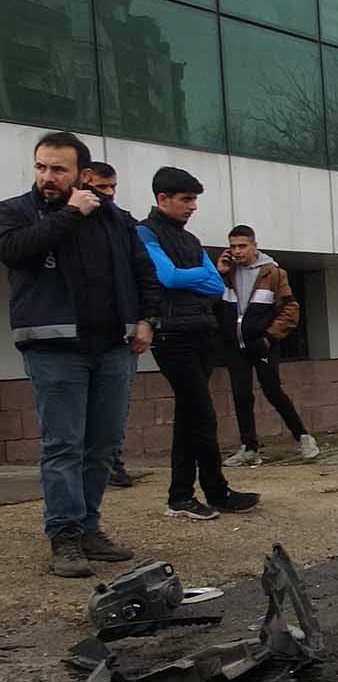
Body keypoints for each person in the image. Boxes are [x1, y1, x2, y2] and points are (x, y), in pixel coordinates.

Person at [0, 132, 156, 576]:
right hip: (54, 348)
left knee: (103, 445)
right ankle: (64, 536)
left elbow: (142, 271)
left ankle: (89, 527)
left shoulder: (115, 219)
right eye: (41, 167)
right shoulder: (16, 211)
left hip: (112, 347)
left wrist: (148, 319)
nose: (47, 177)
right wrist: (70, 212)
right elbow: (14, 251)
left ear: (82, 174)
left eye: (59, 169)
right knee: (63, 444)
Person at [138, 167, 261, 519]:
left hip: (199, 331)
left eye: (195, 199)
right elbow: (167, 276)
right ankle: (209, 492)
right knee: (202, 416)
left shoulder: (190, 240)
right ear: (163, 198)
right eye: (186, 199)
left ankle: (186, 495)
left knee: (190, 417)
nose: (193, 206)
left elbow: (213, 285)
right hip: (172, 334)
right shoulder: (145, 233)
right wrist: (197, 276)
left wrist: (192, 278)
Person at [219, 225, 320, 465]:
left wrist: (269, 337)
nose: (237, 251)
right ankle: (249, 448)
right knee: (240, 394)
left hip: (261, 343)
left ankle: (303, 437)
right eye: (233, 247)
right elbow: (214, 302)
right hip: (235, 345)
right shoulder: (228, 273)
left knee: (273, 391)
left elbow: (290, 308)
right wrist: (220, 272)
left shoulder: (272, 272)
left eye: (242, 246)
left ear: (254, 244)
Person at [75, 159, 137, 489]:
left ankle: (112, 461)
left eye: (113, 187)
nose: (109, 194)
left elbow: (145, 273)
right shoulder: (67, 222)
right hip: (71, 341)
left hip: (116, 337)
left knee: (111, 417)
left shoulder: (123, 224)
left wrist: (144, 319)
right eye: (102, 187)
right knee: (71, 430)